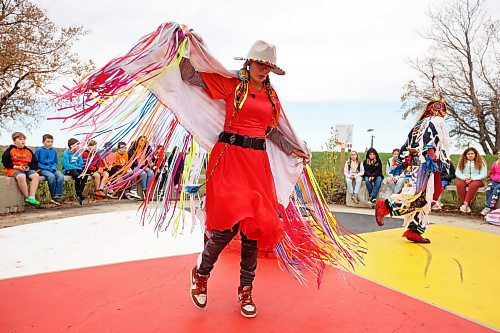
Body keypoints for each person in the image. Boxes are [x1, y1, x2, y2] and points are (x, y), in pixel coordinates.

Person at [181, 40, 309, 318]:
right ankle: (201, 275)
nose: (264, 70)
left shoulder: (272, 97)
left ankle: (246, 290)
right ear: (248, 63)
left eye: (268, 66)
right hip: (229, 158)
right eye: (260, 64)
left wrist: (291, 148)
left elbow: (271, 132)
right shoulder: (232, 86)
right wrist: (185, 46)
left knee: (254, 228)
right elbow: (189, 76)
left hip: (257, 163)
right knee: (228, 225)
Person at [375, 79, 450, 243]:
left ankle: (414, 230)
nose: (442, 112)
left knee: (431, 194)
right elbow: (428, 141)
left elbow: (407, 145)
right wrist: (429, 155)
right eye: (440, 108)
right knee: (417, 194)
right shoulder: (433, 122)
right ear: (434, 109)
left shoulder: (420, 124)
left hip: (425, 163)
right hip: (424, 163)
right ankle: (385, 206)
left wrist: (405, 161)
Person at [1, 132, 40, 206]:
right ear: (14, 141)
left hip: (26, 169)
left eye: (24, 139)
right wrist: (17, 167)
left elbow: (35, 163)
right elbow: (5, 162)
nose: (23, 141)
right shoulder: (10, 150)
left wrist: (29, 167)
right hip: (13, 169)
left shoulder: (28, 150)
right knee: (21, 176)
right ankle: (27, 197)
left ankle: (32, 197)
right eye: (20, 139)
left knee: (35, 176)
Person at [35, 134, 64, 206]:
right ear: (43, 142)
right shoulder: (39, 150)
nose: (50, 143)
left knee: (60, 176)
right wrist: (46, 168)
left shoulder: (53, 150)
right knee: (51, 177)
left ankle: (58, 195)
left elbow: (55, 162)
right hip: (42, 169)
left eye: (51, 142)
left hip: (52, 168)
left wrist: (53, 167)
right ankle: (53, 195)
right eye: (48, 141)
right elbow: (36, 162)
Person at [455, 147, 487, 213]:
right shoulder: (461, 162)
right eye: (468, 154)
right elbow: (457, 173)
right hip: (464, 179)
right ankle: (466, 206)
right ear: (465, 155)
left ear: (475, 154)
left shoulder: (481, 162)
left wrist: (473, 179)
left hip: (477, 180)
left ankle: (465, 204)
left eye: (472, 153)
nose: (470, 155)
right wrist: (464, 178)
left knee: (473, 185)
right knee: (459, 184)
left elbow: (484, 174)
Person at [61, 138, 88, 205]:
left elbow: (81, 163)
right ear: (72, 146)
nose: (79, 146)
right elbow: (66, 165)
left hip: (76, 169)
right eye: (77, 145)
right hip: (68, 170)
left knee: (85, 176)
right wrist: (76, 167)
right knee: (77, 176)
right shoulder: (66, 154)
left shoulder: (78, 153)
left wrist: (77, 167)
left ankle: (79, 194)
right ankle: (78, 194)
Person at [481, 152, 500, 216]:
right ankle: (490, 206)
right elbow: (492, 173)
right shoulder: (495, 164)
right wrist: (494, 178)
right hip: (495, 181)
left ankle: (488, 207)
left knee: (496, 189)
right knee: (489, 188)